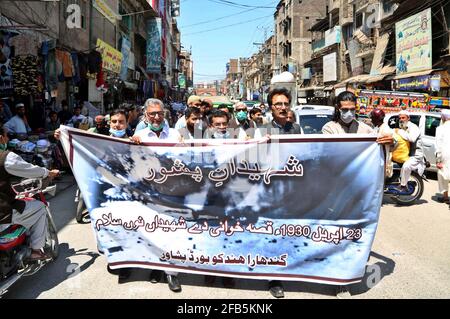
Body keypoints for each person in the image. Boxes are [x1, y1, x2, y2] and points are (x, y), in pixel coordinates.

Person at [131, 99, 182, 292]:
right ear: (146, 115)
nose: (156, 117)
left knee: (172, 233)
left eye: (159, 113)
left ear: (164, 114)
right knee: (153, 231)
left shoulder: (176, 135)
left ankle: (172, 273)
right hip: (149, 192)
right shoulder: (140, 135)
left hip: (172, 192)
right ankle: (156, 267)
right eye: (152, 114)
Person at [0, 123, 60, 261]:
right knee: (39, 207)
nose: (8, 139)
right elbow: (31, 170)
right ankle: (36, 251)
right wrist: (48, 173)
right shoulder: (6, 158)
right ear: (1, 138)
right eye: (6, 136)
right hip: (3, 213)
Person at [394, 110, 426, 193]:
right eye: (400, 118)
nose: (401, 119)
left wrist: (400, 132)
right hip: (407, 154)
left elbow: (412, 138)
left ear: (408, 118)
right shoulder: (403, 127)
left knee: (406, 166)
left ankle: (403, 186)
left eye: (403, 117)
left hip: (415, 155)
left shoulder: (413, 127)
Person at [435, 109, 450, 204]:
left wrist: (438, 160)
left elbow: (438, 146)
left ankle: (445, 197)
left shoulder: (440, 129)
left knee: (443, 176)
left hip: (445, 156)